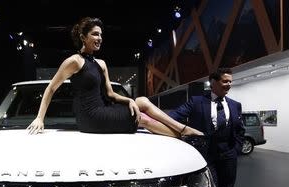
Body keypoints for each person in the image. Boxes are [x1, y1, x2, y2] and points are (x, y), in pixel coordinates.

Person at [27, 17, 203, 137]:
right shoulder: (74, 61)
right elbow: (51, 88)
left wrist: (129, 101)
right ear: (83, 37)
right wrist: (40, 117)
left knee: (140, 100)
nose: (100, 38)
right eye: (95, 34)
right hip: (90, 117)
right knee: (141, 119)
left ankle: (182, 129)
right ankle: (184, 136)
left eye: (101, 34)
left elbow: (111, 94)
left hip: (104, 110)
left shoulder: (101, 63)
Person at [169, 67, 245, 187]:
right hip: (205, 158)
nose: (229, 84)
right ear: (213, 82)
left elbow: (240, 131)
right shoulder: (196, 102)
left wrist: (235, 150)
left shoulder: (235, 105)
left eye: (230, 81)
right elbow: (173, 117)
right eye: (225, 81)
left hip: (228, 157)